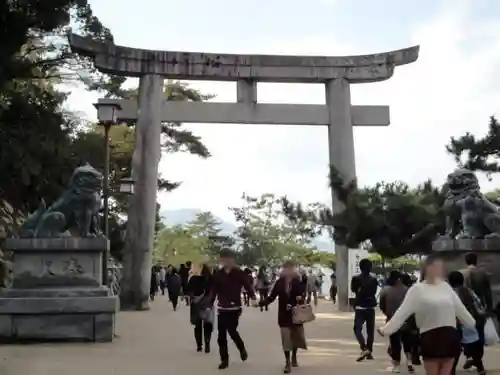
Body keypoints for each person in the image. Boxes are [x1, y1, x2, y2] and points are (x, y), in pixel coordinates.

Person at [378, 256, 476, 375]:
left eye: (440, 267)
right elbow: (402, 312)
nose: (439, 270)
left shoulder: (446, 287)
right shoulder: (417, 290)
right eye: (435, 266)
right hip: (431, 337)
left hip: (450, 336)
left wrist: (471, 322)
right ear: (427, 268)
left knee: (446, 371)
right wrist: (386, 329)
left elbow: (460, 309)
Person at [210, 249, 257, 370]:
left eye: (229, 259)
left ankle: (241, 348)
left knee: (232, 331)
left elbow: (248, 286)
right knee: (221, 335)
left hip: (235, 307)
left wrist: (253, 298)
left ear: (233, 260)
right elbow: (213, 291)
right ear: (221, 260)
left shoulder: (239, 273)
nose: (227, 261)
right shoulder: (218, 274)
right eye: (224, 259)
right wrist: (209, 303)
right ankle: (224, 360)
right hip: (222, 307)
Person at [260, 260, 307, 373]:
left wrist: (295, 303)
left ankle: (294, 356)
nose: (288, 271)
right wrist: (262, 303)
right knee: (286, 338)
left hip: (295, 314)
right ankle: (287, 362)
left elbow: (301, 296)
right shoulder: (279, 283)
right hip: (283, 315)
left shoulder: (297, 282)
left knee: (295, 337)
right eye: (286, 268)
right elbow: (272, 297)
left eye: (290, 268)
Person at [448, 271, 486, 375]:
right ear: (462, 280)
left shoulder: (448, 294)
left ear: (450, 282)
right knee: (475, 351)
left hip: (455, 327)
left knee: (454, 353)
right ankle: (481, 369)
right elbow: (480, 308)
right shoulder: (469, 292)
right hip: (469, 325)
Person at [379, 270, 415, 373]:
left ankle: (396, 366)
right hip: (407, 320)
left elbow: (382, 305)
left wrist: (387, 313)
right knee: (407, 342)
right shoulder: (408, 290)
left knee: (395, 344)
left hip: (392, 320)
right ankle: (409, 362)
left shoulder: (385, 291)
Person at [461, 252, 492, 343]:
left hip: (465, 306)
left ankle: (468, 350)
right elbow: (488, 292)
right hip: (480, 305)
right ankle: (479, 348)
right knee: (480, 328)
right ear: (476, 261)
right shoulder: (483, 273)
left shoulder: (461, 273)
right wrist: (489, 307)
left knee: (467, 328)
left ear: (466, 261)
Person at [350, 258, 378, 362]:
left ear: (360, 267)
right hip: (370, 306)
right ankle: (369, 352)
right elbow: (374, 292)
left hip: (360, 306)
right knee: (370, 331)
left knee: (357, 329)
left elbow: (353, 290)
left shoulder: (356, 278)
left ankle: (364, 348)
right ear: (370, 267)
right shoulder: (373, 279)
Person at [187, 263, 214, 353]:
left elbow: (188, 290)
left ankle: (199, 345)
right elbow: (213, 292)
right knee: (207, 324)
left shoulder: (193, 279)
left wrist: (193, 298)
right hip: (207, 304)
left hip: (196, 304)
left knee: (197, 325)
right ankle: (207, 342)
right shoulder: (210, 279)